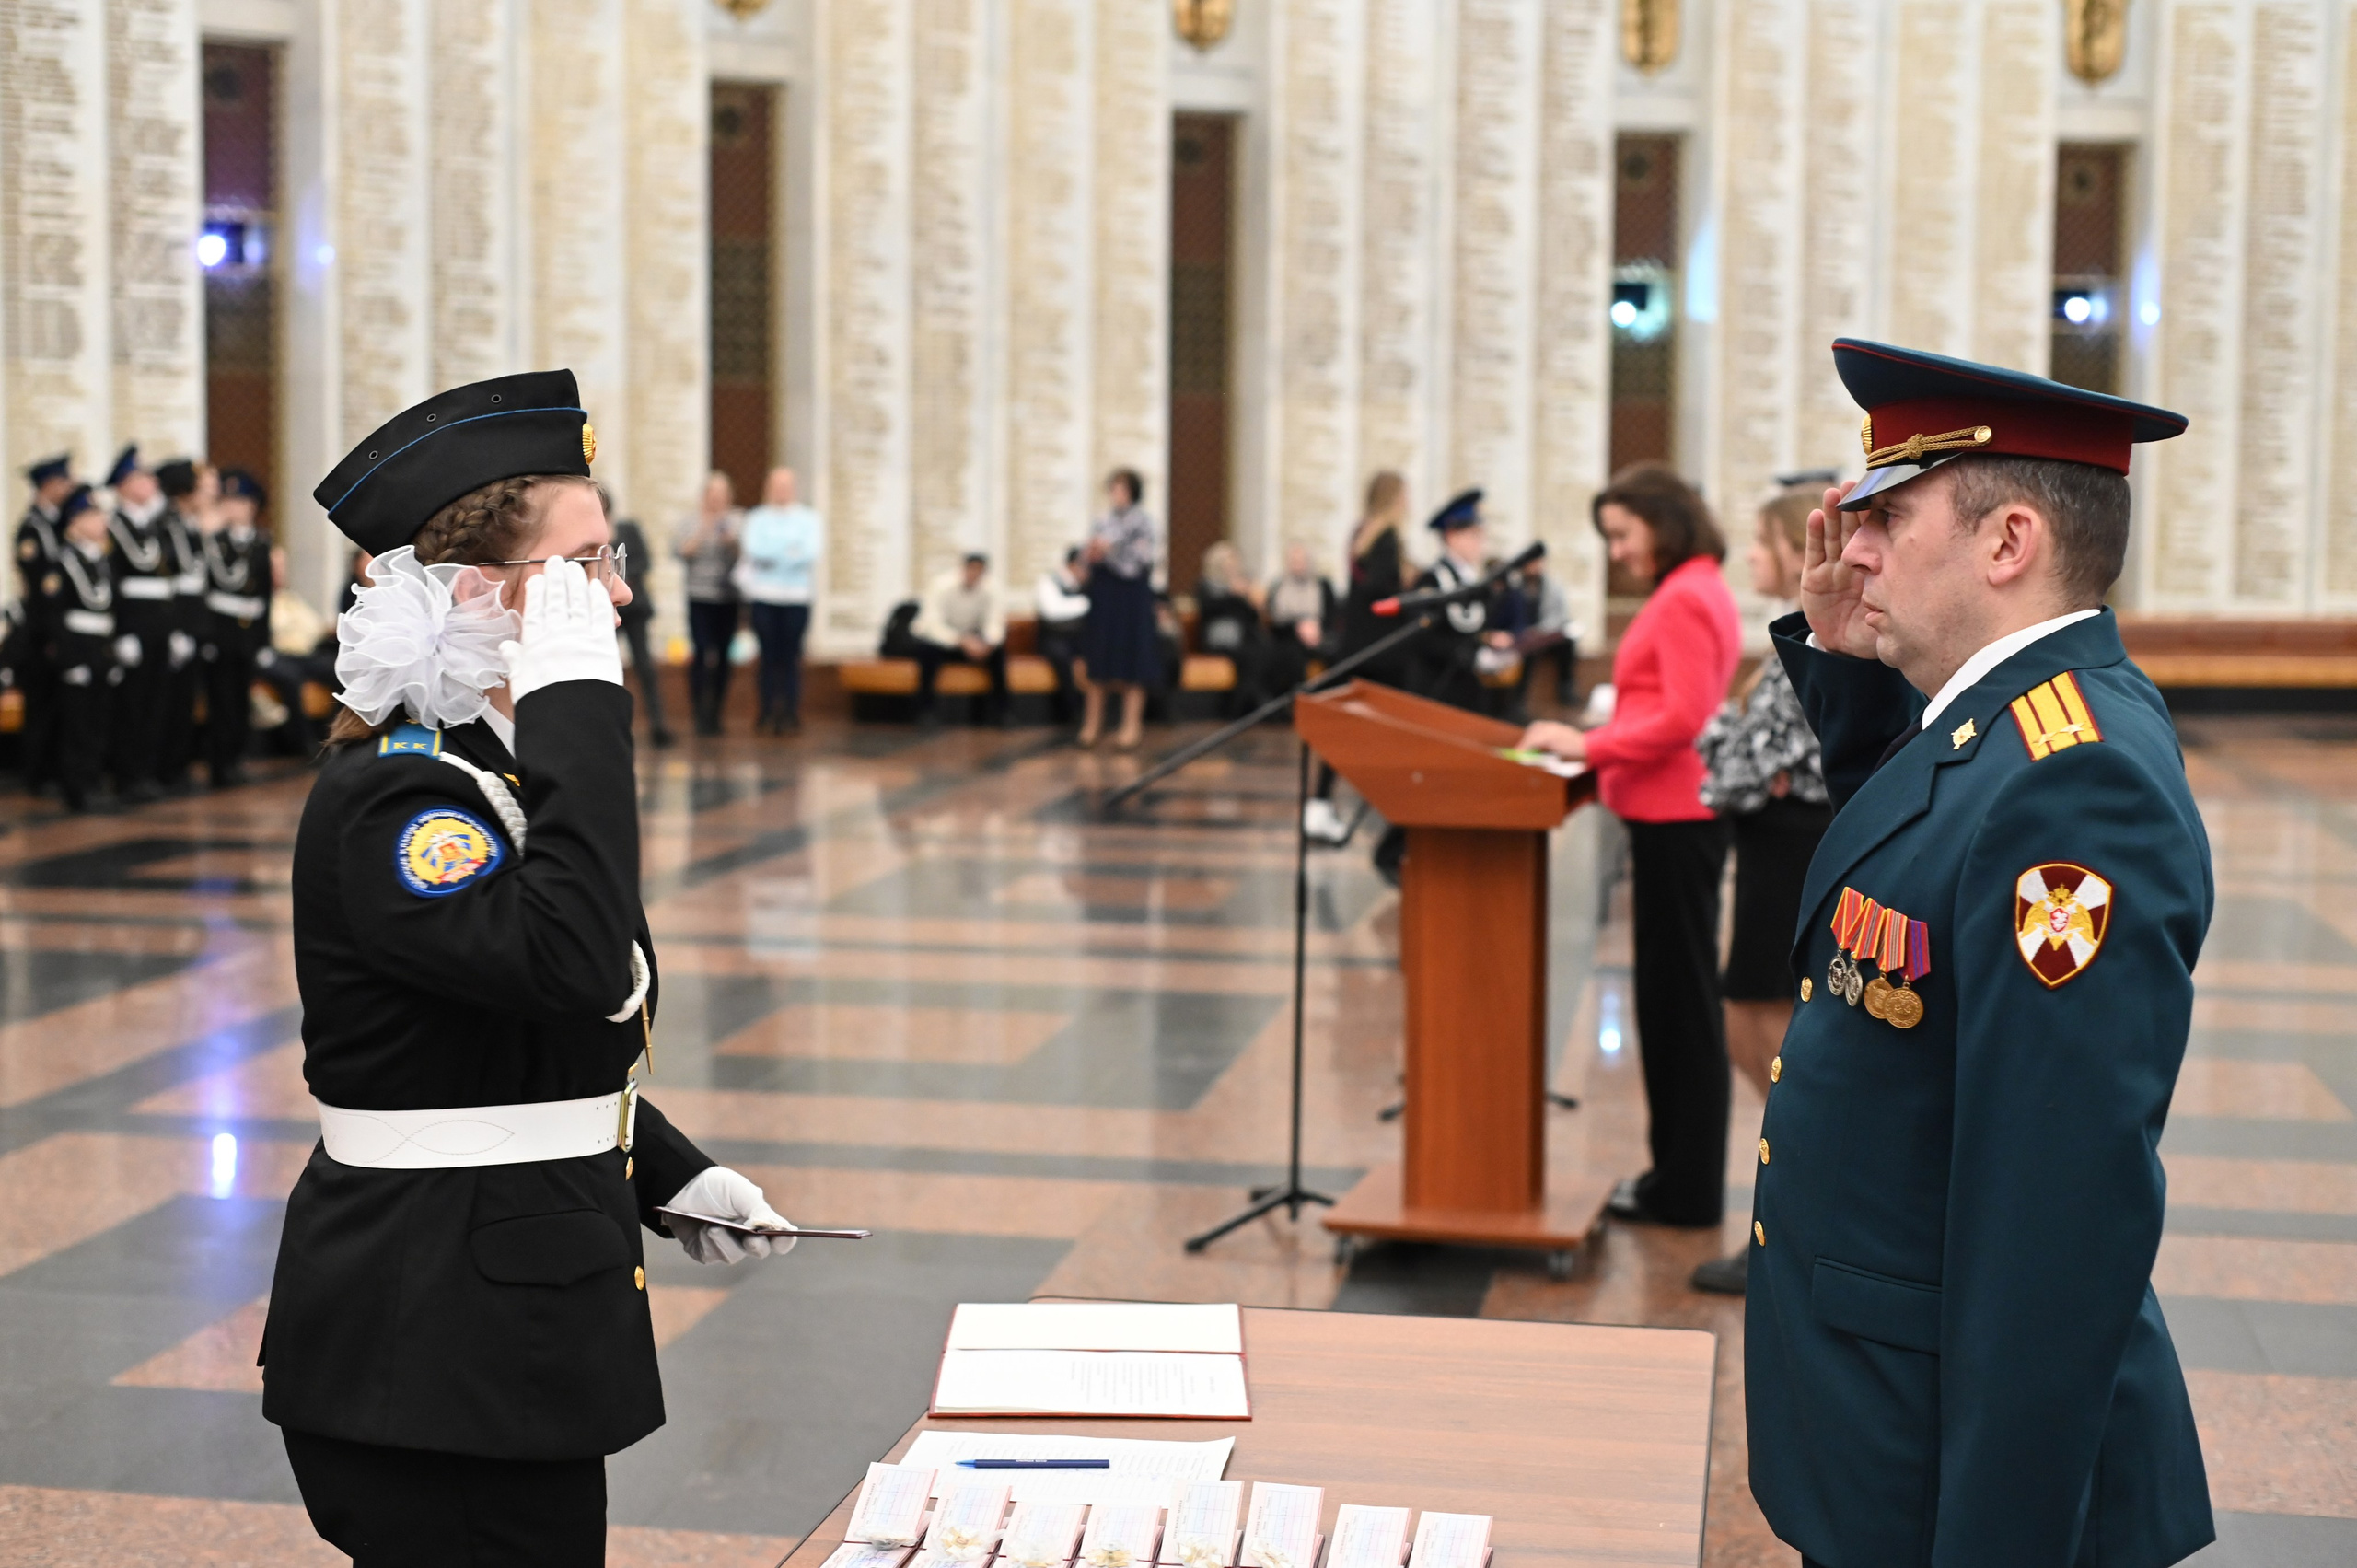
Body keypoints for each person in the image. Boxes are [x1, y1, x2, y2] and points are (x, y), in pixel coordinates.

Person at [272, 368, 804, 1567]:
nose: (615, 592)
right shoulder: (405, 800)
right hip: (435, 1347)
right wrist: (578, 702)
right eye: (585, 565)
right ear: (480, 592)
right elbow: (568, 957)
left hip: (498, 1322)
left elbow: (497, 1038)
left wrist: (664, 1169)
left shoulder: (490, 774)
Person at [1738, 340, 2213, 1567]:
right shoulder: (1995, 723)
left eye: (1888, 516)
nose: (1850, 545)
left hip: (1947, 1469)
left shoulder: (2076, 784)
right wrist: (1850, 666)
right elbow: (1917, 848)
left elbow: (2055, 1223)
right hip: (1881, 1418)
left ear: (2008, 543)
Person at [1518, 463, 1741, 1229]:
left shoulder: (1685, 595)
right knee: (1675, 1005)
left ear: (1663, 520)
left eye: (1622, 533)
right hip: (1673, 814)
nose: (1615, 550)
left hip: (1677, 817)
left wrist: (1588, 743)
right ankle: (1676, 1177)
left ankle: (1683, 1189)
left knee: (1679, 1009)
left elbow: (1678, 718)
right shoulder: (1694, 585)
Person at [1686, 486, 1831, 1297]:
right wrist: (1738, 757)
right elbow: (1740, 751)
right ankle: (1791, 1215)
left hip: (1792, 848)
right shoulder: (1788, 639)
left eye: (1761, 541)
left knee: (1767, 1030)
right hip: (1771, 843)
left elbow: (1746, 763)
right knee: (1750, 1020)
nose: (1750, 556)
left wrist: (1736, 760)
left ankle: (1795, 1220)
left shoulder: (1815, 640)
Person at [1304, 472, 1412, 846]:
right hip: (1381, 648)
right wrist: (1406, 587)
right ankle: (1398, 803)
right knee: (1398, 723)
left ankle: (1321, 802)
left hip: (1356, 643)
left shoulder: (1360, 532)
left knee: (1353, 725)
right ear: (1394, 498)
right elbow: (1380, 590)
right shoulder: (1387, 537)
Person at [42, 488, 122, 813]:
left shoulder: (101, 560)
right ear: (74, 524)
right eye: (92, 516)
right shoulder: (61, 562)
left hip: (100, 648)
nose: (101, 521)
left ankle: (92, 780)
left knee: (99, 720)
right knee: (76, 724)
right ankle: (75, 788)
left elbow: (111, 610)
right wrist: (69, 659)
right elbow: (52, 617)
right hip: (76, 649)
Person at [1406, 489, 1518, 714]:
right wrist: (1473, 655)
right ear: (1451, 536)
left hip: (1467, 691)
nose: (1481, 543)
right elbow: (1425, 638)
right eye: (1473, 535)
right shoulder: (1432, 581)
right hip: (1438, 690)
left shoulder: (1473, 583)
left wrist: (1488, 644)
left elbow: (1474, 629)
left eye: (1481, 535)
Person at [106, 446, 177, 803]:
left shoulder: (154, 524)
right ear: (125, 484)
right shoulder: (113, 526)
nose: (151, 483)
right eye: (142, 477)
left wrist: (175, 627)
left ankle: (148, 772)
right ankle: (129, 775)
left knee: (155, 703)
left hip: (160, 625)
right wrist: (123, 632)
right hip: (134, 625)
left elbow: (168, 580)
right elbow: (112, 584)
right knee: (132, 705)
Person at [198, 469, 273, 786]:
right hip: (221, 632)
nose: (233, 508)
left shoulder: (260, 543)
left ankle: (237, 758)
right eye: (227, 501)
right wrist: (206, 635)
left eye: (240, 502)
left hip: (248, 634)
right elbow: (206, 591)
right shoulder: (215, 543)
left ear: (252, 506)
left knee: (241, 700)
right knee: (221, 700)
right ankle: (220, 763)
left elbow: (265, 594)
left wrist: (264, 639)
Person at [1077, 467, 1160, 749]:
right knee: (1099, 658)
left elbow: (1144, 558)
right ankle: (1092, 726)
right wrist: (1090, 553)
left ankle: (1131, 727)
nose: (1117, 494)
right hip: (1105, 596)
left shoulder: (1144, 522)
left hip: (1131, 597)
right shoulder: (1100, 522)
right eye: (1113, 488)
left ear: (1133, 492)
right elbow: (1084, 562)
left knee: (1133, 660)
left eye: (1122, 489)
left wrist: (1110, 549)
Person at [736, 466, 821, 733]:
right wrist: (788, 551)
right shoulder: (757, 518)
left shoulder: (809, 518)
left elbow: (809, 553)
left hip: (797, 598)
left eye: (786, 485)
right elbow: (755, 550)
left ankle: (790, 711)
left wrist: (775, 556)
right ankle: (766, 711)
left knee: (791, 656)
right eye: (777, 485)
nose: (782, 491)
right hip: (765, 597)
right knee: (768, 656)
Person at [14, 453, 75, 795]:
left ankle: (54, 769)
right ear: (50, 486)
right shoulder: (32, 528)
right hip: (40, 629)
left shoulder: (56, 523)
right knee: (41, 704)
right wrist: (51, 630)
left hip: (58, 627)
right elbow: (42, 586)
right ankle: (37, 774)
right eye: (64, 482)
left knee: (58, 703)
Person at [156, 459, 212, 791]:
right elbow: (169, 582)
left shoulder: (189, 524)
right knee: (168, 702)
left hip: (194, 622)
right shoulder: (166, 525)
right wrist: (175, 628)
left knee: (185, 702)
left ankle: (178, 766)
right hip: (175, 622)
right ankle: (165, 768)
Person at [674, 470, 740, 736]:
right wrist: (704, 530)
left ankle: (717, 712)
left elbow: (744, 557)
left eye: (721, 495)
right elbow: (680, 551)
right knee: (701, 652)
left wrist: (730, 541)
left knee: (724, 655)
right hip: (699, 596)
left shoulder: (738, 520)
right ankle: (699, 711)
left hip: (729, 596)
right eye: (712, 494)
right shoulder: (690, 521)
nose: (716, 500)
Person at [908, 552, 1009, 725]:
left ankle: (1002, 713)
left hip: (974, 644)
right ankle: (926, 711)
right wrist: (961, 640)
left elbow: (995, 622)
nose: (974, 575)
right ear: (963, 569)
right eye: (971, 570)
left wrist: (987, 643)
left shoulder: (991, 588)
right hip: (944, 641)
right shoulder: (940, 585)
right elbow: (932, 624)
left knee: (998, 655)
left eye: (979, 572)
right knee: (927, 653)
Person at [252, 547, 336, 754]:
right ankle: (303, 744)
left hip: (305, 655)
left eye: (282, 567)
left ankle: (334, 735)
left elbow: (316, 627)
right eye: (275, 567)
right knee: (291, 678)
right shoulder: (258, 598)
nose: (279, 572)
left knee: (338, 667)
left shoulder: (289, 598)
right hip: (274, 657)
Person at [607, 505, 674, 748]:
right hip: (607, 612)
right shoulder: (595, 537)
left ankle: (658, 725)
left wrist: (617, 575)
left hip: (634, 610)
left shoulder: (629, 529)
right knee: (609, 668)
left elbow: (645, 561)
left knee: (645, 667)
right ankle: (612, 726)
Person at [1193, 540, 1268, 712]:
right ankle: (1242, 706)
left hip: (1244, 639)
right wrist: (1232, 594)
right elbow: (1208, 609)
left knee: (1265, 649)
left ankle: (1253, 702)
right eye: (1228, 562)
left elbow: (1251, 617)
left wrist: (1250, 599)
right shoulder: (1206, 586)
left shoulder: (1243, 585)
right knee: (1250, 656)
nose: (1232, 566)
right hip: (1219, 641)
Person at [1263, 540, 1335, 696]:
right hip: (1288, 638)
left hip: (1320, 638)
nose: (1297, 565)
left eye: (1301, 561)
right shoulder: (1279, 586)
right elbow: (1273, 620)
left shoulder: (1323, 585)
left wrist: (1316, 629)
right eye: (1293, 561)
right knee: (1289, 655)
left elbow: (1333, 616)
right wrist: (1298, 627)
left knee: (1337, 653)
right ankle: (1293, 704)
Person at [1034, 547, 1091, 725]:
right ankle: (1071, 711)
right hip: (1054, 637)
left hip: (1080, 637)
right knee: (1062, 659)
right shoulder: (1048, 581)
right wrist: (1086, 604)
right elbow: (1053, 611)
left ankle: (1096, 712)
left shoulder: (1087, 585)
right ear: (1074, 565)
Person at [1513, 553, 1577, 710]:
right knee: (1526, 653)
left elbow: (1559, 615)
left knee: (1567, 643)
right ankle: (1518, 700)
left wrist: (1541, 631)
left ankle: (1566, 687)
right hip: (1523, 636)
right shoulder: (1516, 586)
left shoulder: (1552, 586)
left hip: (1545, 634)